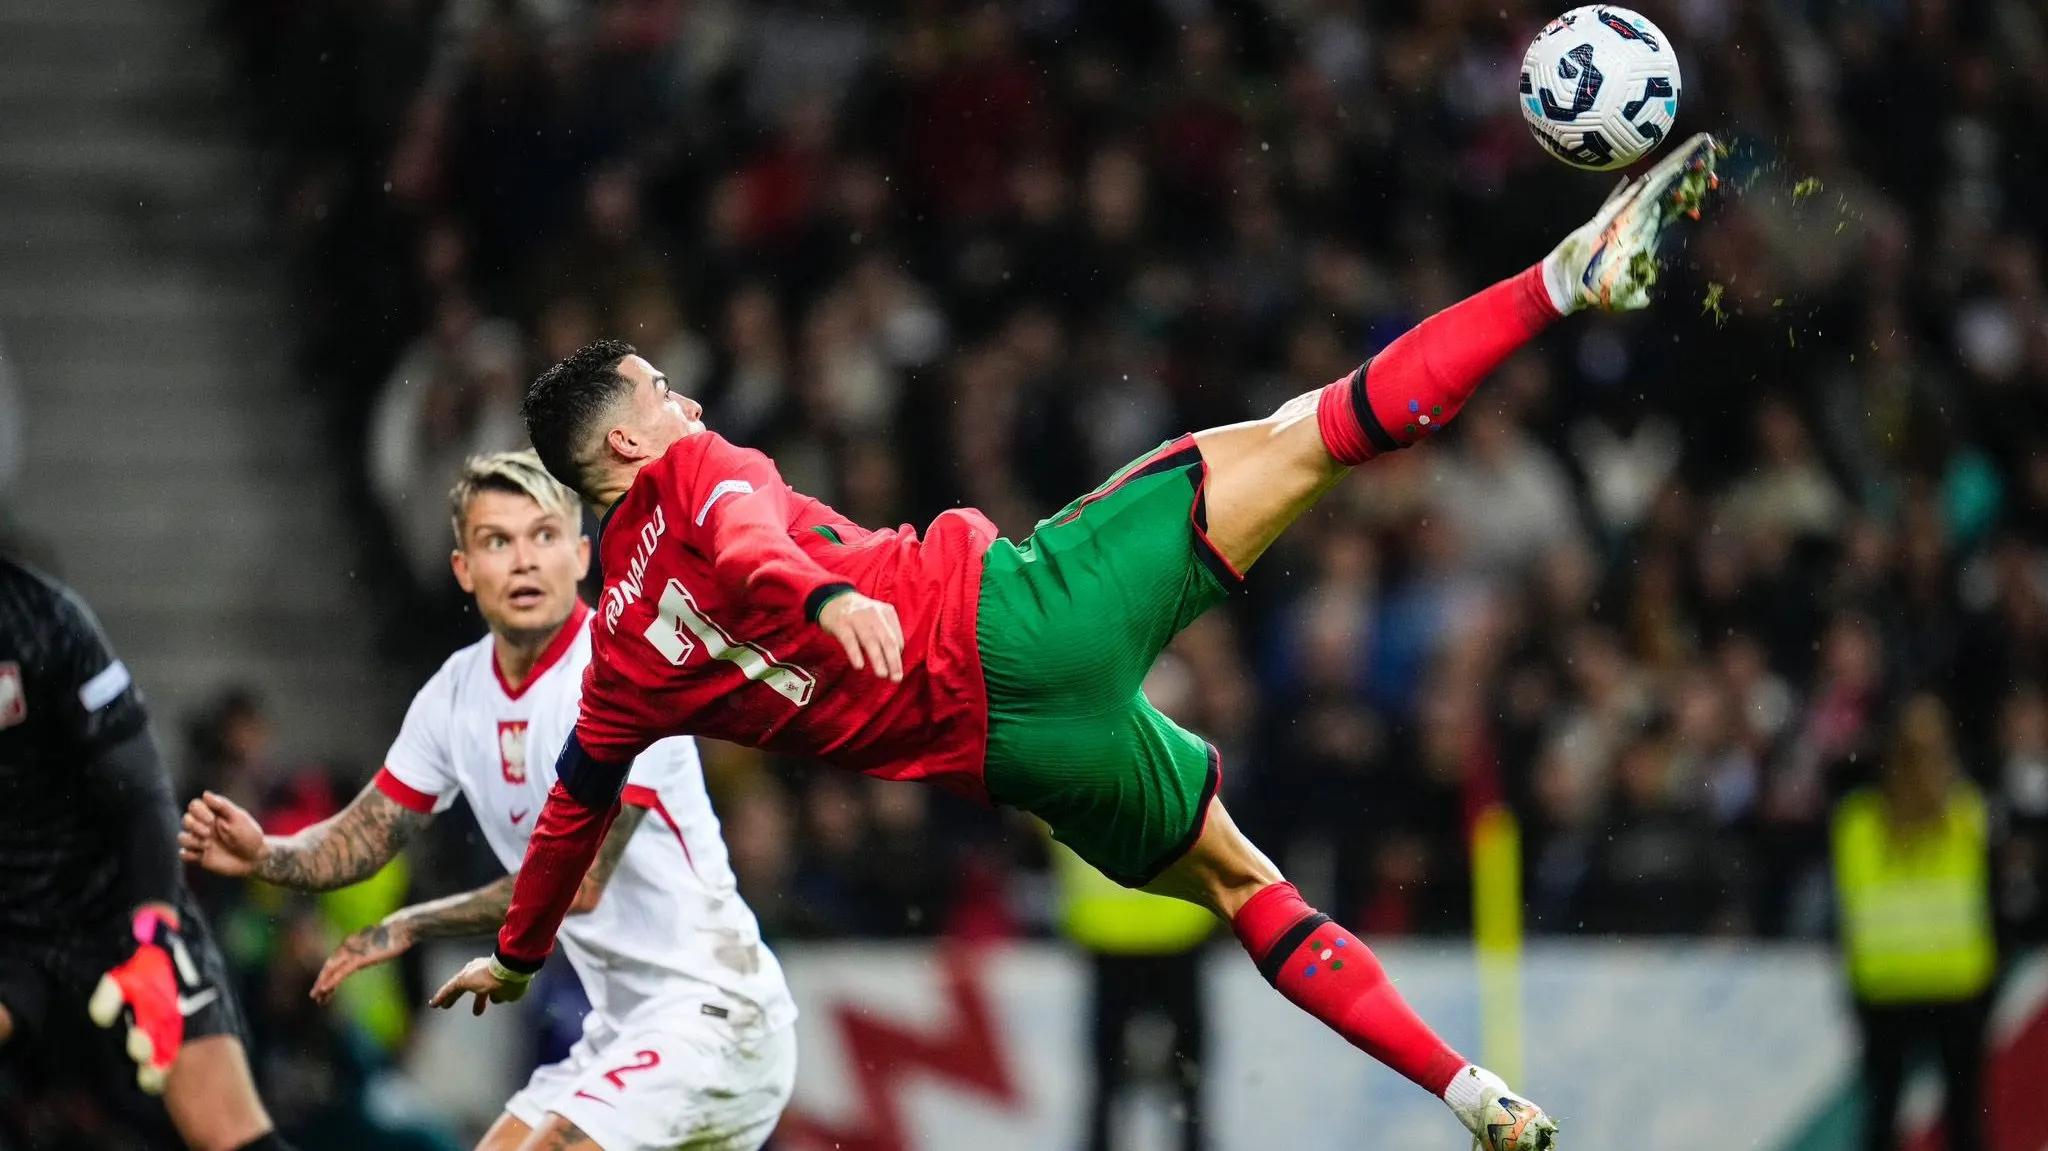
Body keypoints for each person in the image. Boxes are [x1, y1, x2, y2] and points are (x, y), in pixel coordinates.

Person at [439, 133, 1725, 1151]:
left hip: (1021, 757)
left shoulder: (615, 661)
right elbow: (742, 533)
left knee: (1242, 885)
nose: (691, 400)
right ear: (622, 443)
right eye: (663, 390)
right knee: (1314, 427)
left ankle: (1469, 1090)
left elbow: (568, 814)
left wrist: (513, 952)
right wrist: (828, 599)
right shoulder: (698, 473)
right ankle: (1567, 276)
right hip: (1020, 615)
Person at [178, 452, 798, 1151]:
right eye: (497, 541)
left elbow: (579, 882)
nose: (524, 560)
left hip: (718, 1017)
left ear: (581, 554)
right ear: (464, 570)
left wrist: (415, 922)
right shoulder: (455, 691)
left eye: (543, 535)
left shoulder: (625, 671)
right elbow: (364, 833)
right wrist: (267, 853)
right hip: (622, 1032)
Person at [0, 555, 296, 1151]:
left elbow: (141, 793)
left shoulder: (46, 622)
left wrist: (153, 932)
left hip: (114, 900)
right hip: (7, 931)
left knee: (232, 1135)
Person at [1831, 694, 1996, 1151]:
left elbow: (1848, 911)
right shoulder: (1966, 814)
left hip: (1885, 986)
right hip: (1954, 982)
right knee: (1964, 1119)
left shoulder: (1856, 822)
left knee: (1884, 1115)